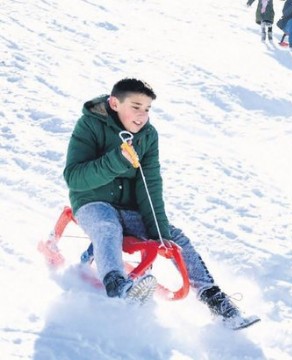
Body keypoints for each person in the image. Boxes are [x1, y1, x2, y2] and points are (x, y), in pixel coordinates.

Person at [63, 78, 258, 329]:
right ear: (114, 103)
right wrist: (116, 160)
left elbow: (150, 183)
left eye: (147, 109)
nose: (142, 115)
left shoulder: (147, 136)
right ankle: (116, 284)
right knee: (107, 228)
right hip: (92, 202)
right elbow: (74, 178)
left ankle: (213, 298)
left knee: (176, 238)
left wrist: (159, 232)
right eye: (136, 106)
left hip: (130, 208)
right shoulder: (89, 125)